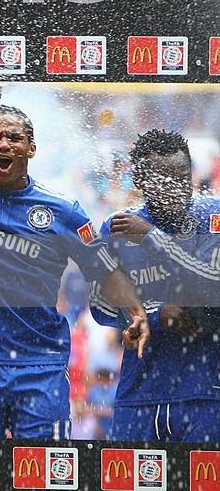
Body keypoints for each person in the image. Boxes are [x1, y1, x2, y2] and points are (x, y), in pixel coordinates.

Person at [0, 105, 149, 438]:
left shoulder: (62, 211)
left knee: (44, 474)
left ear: (32, 148)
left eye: (14, 138)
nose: (4, 145)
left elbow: (104, 268)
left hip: (41, 366)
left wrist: (135, 312)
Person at [90, 129, 220, 441]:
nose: (174, 188)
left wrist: (152, 238)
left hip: (205, 394)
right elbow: (101, 308)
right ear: (141, 182)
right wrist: (153, 313)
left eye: (180, 177)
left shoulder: (212, 216)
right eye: (162, 180)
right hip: (139, 395)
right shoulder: (118, 226)